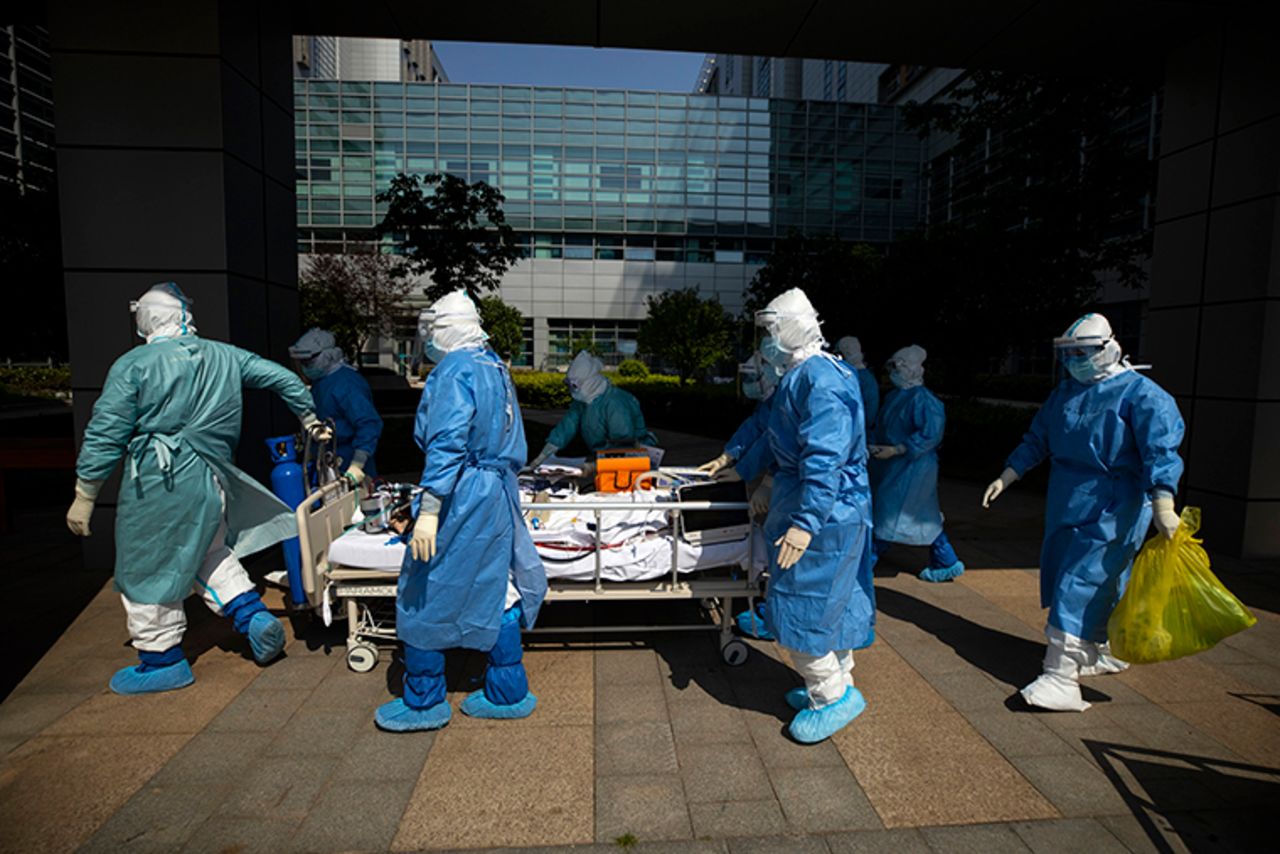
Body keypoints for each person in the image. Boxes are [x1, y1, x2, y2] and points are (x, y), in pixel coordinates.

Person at [66, 282, 327, 695]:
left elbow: (105, 431)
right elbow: (280, 378)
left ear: (146, 320)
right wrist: (309, 417)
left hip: (160, 481)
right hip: (213, 477)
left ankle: (161, 661)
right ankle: (252, 615)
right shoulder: (224, 355)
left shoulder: (134, 364)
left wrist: (86, 492)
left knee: (147, 566)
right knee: (211, 551)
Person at [983, 313, 1184, 712]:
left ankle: (1060, 676)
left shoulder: (1143, 396)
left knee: (1080, 583)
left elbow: (1161, 451)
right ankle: (1105, 648)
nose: (1075, 359)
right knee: (1087, 577)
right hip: (1069, 497)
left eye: (1084, 352)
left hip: (1116, 502)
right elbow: (1038, 437)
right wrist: (1008, 474)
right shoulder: (1066, 393)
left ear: (1110, 347)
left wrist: (1163, 501)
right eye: (1070, 353)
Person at [375, 290, 548, 732]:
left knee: (425, 587)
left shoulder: (454, 370)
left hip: (461, 491)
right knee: (497, 583)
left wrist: (429, 507)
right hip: (496, 490)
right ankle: (508, 690)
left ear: (444, 329)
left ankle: (425, 699)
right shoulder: (493, 364)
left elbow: (447, 441)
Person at [733, 288, 875, 744]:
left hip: (825, 513)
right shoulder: (810, 373)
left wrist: (804, 523)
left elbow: (823, 458)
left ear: (794, 328)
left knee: (802, 607)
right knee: (833, 604)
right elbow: (781, 440)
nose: (768, 340)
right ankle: (838, 680)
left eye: (773, 330)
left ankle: (829, 695)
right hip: (830, 508)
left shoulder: (820, 379)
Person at [695, 352, 782, 640]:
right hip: (784, 480)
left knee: (785, 550)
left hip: (796, 483)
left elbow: (780, 442)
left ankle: (777, 619)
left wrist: (765, 480)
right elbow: (754, 429)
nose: (746, 384)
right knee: (774, 540)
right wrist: (727, 457)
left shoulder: (789, 400)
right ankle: (769, 606)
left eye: (750, 378)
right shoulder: (770, 401)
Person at [867, 345, 964, 583]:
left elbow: (930, 434)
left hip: (915, 467)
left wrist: (899, 449)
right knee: (921, 516)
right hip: (893, 465)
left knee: (890, 516)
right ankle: (946, 560)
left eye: (897, 367)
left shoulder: (925, 401)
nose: (893, 372)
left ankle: (863, 565)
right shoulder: (894, 396)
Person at [289, 328, 383, 487]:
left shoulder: (347, 383)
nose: (305, 367)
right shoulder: (321, 382)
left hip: (348, 463)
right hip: (326, 463)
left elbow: (369, 424)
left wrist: (357, 464)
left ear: (328, 355)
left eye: (308, 362)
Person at [529, 350, 657, 467]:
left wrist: (594, 467)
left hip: (634, 463)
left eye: (575, 385)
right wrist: (543, 456)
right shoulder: (582, 402)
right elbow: (565, 428)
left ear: (591, 382)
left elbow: (623, 447)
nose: (572, 390)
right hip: (605, 460)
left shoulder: (615, 403)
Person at [835, 336, 880, 431]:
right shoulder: (856, 377)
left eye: (838, 354)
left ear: (847, 353)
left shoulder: (864, 379)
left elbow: (868, 415)